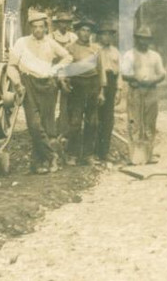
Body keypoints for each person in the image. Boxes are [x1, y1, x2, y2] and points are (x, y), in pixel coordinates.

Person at [6, 12, 72, 174]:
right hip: (29, 85)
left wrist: (55, 69)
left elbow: (67, 57)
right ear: (30, 28)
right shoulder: (21, 43)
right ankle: (52, 156)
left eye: (41, 27)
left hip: (48, 85)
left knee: (46, 125)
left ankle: (37, 163)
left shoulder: (50, 43)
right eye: (34, 27)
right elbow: (11, 66)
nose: (37, 30)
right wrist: (17, 83)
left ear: (45, 28)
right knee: (34, 125)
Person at [121, 25, 167, 164]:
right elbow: (124, 74)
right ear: (137, 39)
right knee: (134, 123)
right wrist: (135, 78)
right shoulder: (130, 54)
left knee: (150, 124)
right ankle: (133, 156)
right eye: (141, 39)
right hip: (135, 91)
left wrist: (154, 80)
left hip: (151, 91)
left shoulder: (155, 55)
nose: (144, 42)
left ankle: (149, 155)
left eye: (147, 39)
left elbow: (162, 73)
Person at [64, 17, 104, 166]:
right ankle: (72, 154)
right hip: (77, 86)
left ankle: (88, 155)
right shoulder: (70, 48)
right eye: (82, 30)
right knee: (75, 121)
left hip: (93, 85)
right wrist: (65, 82)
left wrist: (101, 91)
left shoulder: (96, 49)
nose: (85, 33)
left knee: (92, 122)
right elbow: (65, 68)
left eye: (88, 31)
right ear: (77, 32)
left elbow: (101, 71)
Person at [51, 10, 79, 143]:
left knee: (66, 101)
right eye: (61, 22)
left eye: (66, 22)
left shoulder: (73, 37)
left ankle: (63, 129)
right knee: (51, 100)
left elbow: (74, 54)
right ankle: (50, 130)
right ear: (57, 24)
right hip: (53, 71)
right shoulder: (51, 37)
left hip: (68, 72)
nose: (64, 25)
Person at [96, 20, 120, 162]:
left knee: (108, 118)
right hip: (97, 83)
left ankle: (104, 151)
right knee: (95, 118)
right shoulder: (95, 49)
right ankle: (93, 151)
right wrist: (100, 90)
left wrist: (119, 90)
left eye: (109, 35)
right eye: (104, 34)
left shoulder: (115, 51)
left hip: (111, 82)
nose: (107, 37)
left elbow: (120, 72)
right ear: (99, 36)